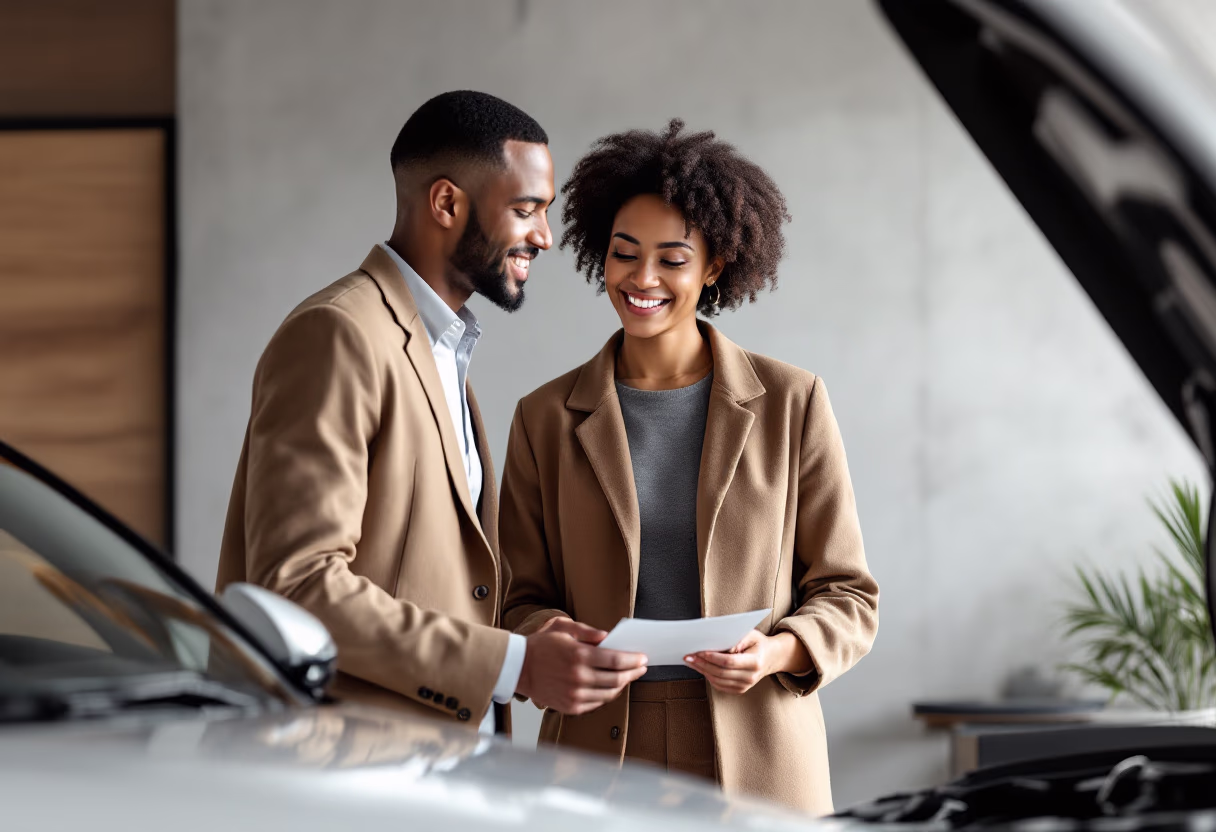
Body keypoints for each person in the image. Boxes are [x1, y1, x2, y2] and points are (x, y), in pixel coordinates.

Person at [215, 91, 647, 735]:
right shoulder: (338, 335)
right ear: (447, 203)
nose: (545, 237)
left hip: (436, 762)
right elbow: (298, 585)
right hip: (345, 767)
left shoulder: (441, 343)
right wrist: (515, 665)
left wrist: (522, 631)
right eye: (526, 210)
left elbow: (433, 577)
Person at [499, 119, 879, 813]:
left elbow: (849, 596)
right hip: (595, 755)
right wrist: (552, 637)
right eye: (624, 254)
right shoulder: (544, 417)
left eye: (673, 260)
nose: (642, 279)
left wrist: (776, 652)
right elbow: (514, 600)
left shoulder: (793, 403)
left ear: (715, 267)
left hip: (760, 751)